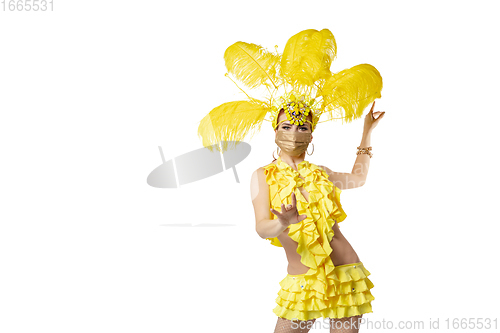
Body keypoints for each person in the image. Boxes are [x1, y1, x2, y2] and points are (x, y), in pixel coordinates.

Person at [197, 28, 385, 333]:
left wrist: (367, 133)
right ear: (275, 131)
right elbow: (261, 228)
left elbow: (358, 179)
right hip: (302, 280)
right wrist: (283, 222)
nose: (294, 134)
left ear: (312, 134)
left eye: (302, 128)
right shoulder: (262, 176)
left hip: (345, 271)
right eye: (287, 126)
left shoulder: (320, 173)